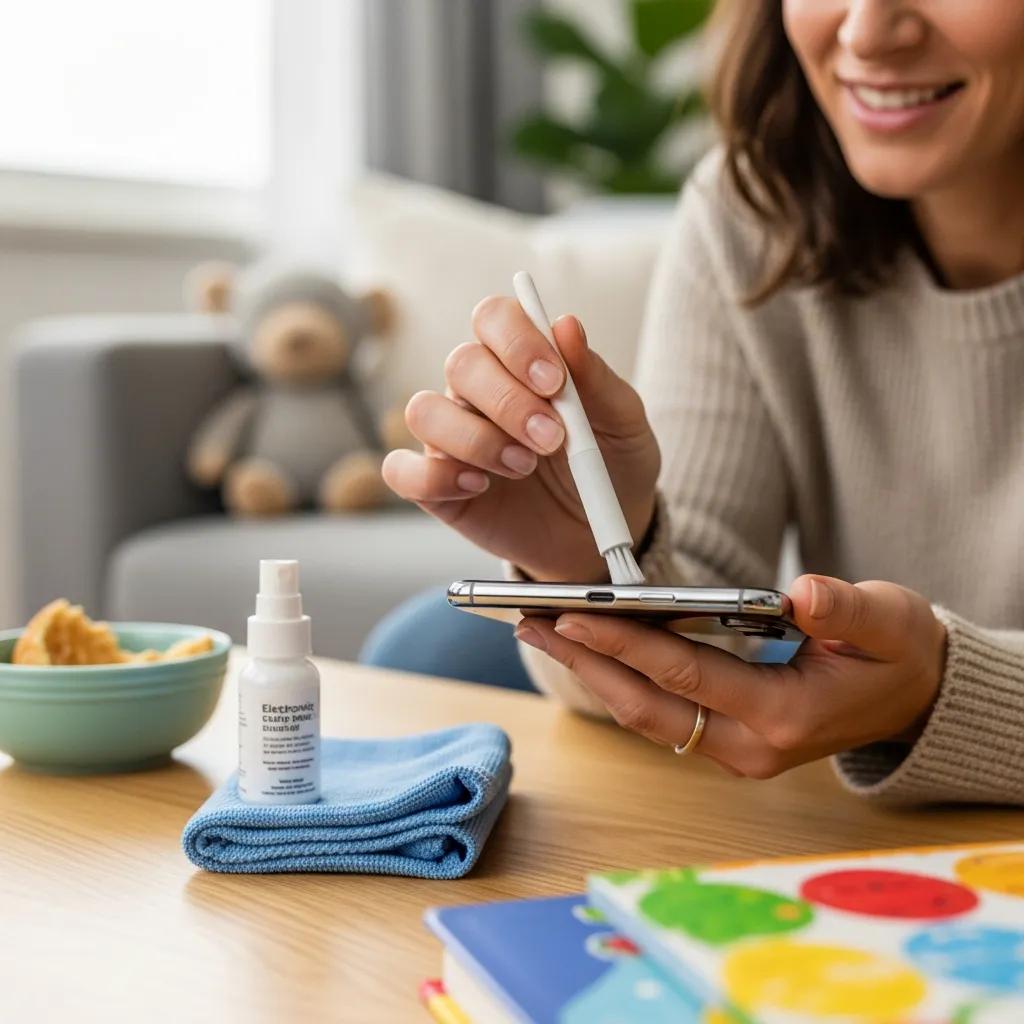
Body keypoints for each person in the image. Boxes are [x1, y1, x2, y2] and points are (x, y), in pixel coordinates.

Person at [382, 0, 1024, 805]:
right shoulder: (754, 212)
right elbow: (713, 616)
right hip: (847, 834)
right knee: (430, 646)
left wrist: (943, 694)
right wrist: (599, 556)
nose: (864, 31)